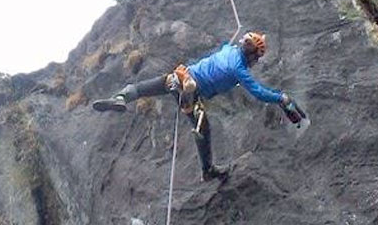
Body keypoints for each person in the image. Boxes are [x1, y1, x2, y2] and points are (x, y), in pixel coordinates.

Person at [92, 31, 306, 181]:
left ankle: (120, 98)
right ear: (251, 55)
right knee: (203, 128)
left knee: (139, 88)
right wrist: (281, 98)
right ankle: (208, 170)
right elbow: (259, 92)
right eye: (256, 57)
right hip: (190, 90)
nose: (256, 62)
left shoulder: (228, 50)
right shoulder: (239, 70)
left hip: (178, 76)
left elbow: (225, 46)